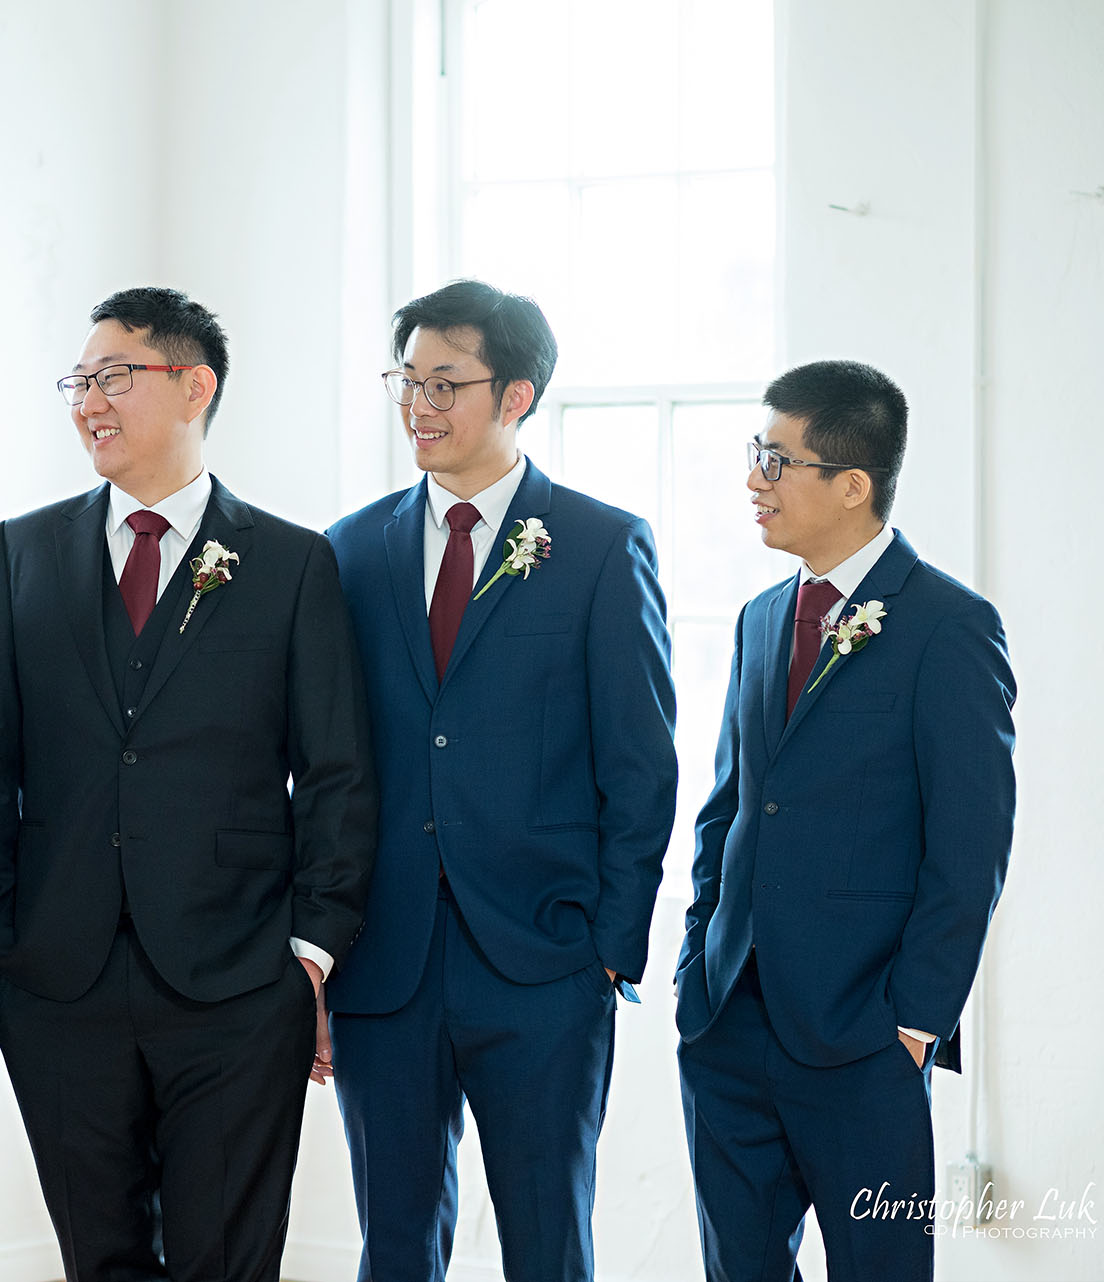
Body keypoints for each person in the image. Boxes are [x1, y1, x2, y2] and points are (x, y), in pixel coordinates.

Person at [0, 286, 377, 1281]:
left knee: (225, 1258)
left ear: (195, 387)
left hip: (239, 978)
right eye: (79, 380)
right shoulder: (26, 551)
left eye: (114, 376)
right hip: (59, 975)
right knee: (98, 1256)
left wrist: (308, 956)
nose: (88, 400)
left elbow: (336, 772)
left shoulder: (291, 562)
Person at [323, 279, 678, 1281]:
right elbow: (325, 765)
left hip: (547, 966)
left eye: (447, 382)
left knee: (546, 1239)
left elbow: (643, 765)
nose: (419, 406)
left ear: (516, 395)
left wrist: (609, 947)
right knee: (394, 1240)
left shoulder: (604, 548)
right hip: (385, 968)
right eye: (408, 379)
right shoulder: (352, 551)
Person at [674, 360, 1016, 1280]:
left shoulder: (949, 627)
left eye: (774, 459)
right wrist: (697, 964)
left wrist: (914, 1022)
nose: (754, 480)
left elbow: (970, 847)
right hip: (729, 1029)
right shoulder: (758, 618)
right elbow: (729, 810)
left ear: (852, 484)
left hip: (865, 1040)